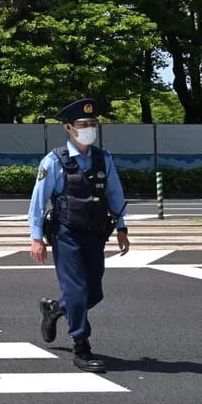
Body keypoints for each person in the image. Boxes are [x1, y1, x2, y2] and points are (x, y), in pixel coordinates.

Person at [29, 98, 130, 373]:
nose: (89, 129)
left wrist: (122, 228)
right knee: (76, 289)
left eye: (92, 124)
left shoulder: (103, 158)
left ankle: (54, 309)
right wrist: (36, 238)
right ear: (68, 128)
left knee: (94, 293)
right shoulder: (54, 161)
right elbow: (38, 202)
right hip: (66, 233)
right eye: (83, 125)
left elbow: (115, 194)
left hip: (95, 233)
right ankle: (81, 346)